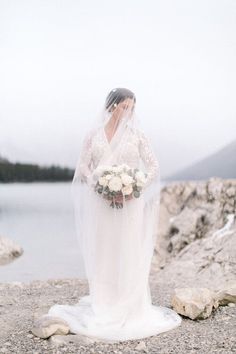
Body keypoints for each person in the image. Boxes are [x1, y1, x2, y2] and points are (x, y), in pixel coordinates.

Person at [47, 87, 182, 341]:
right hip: (101, 204)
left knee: (128, 248)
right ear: (112, 107)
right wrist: (98, 184)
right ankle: (105, 300)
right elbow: (84, 167)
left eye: (132, 107)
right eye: (124, 106)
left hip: (131, 203)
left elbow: (153, 166)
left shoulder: (138, 136)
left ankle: (130, 303)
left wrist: (136, 187)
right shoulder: (93, 136)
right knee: (105, 249)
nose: (129, 112)